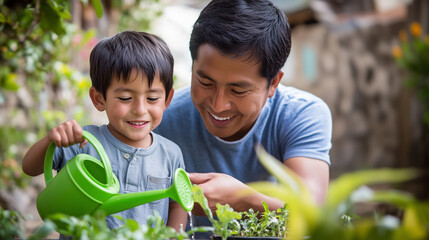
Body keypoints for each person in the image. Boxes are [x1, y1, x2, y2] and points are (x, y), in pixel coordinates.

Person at [154, 0, 332, 233]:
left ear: (273, 84)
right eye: (205, 82)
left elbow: (312, 214)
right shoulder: (160, 120)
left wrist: (243, 199)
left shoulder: (300, 115)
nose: (218, 105)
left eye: (238, 90)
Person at [22, 31, 187, 233]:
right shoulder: (83, 142)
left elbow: (177, 202)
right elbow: (29, 167)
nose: (140, 109)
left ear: (167, 100)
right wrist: (51, 140)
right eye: (126, 98)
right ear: (99, 99)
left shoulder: (170, 154)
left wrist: (173, 236)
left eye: (152, 98)